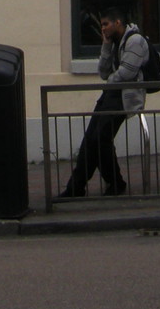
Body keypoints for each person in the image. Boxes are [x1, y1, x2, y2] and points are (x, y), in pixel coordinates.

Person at [60, 11, 149, 198]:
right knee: (92, 139)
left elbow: (128, 72)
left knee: (100, 139)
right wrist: (106, 46)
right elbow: (103, 71)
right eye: (101, 25)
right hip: (110, 94)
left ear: (118, 22)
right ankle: (82, 186)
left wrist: (110, 80)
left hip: (123, 98)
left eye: (106, 24)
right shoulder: (114, 42)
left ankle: (99, 185)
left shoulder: (135, 41)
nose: (103, 28)